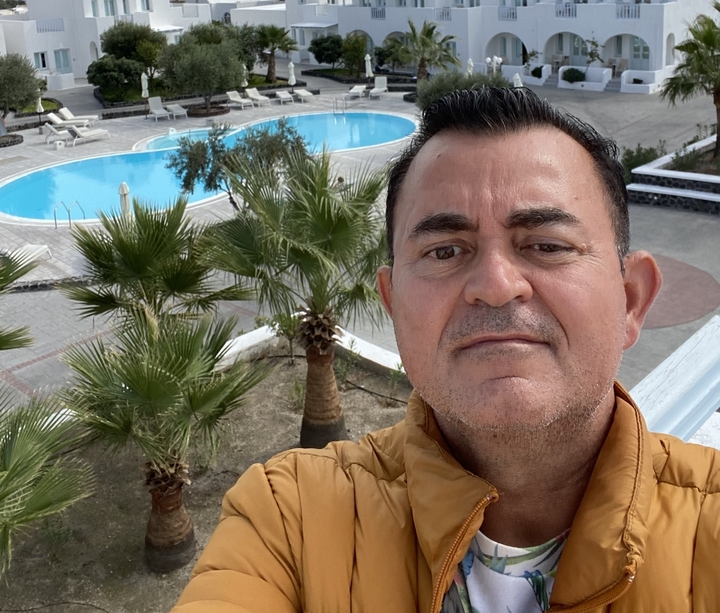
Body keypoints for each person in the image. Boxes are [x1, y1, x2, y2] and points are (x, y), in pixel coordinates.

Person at [172, 88, 720, 613]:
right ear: (394, 304)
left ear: (630, 301)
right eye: (444, 250)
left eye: (547, 245)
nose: (496, 284)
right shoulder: (287, 519)